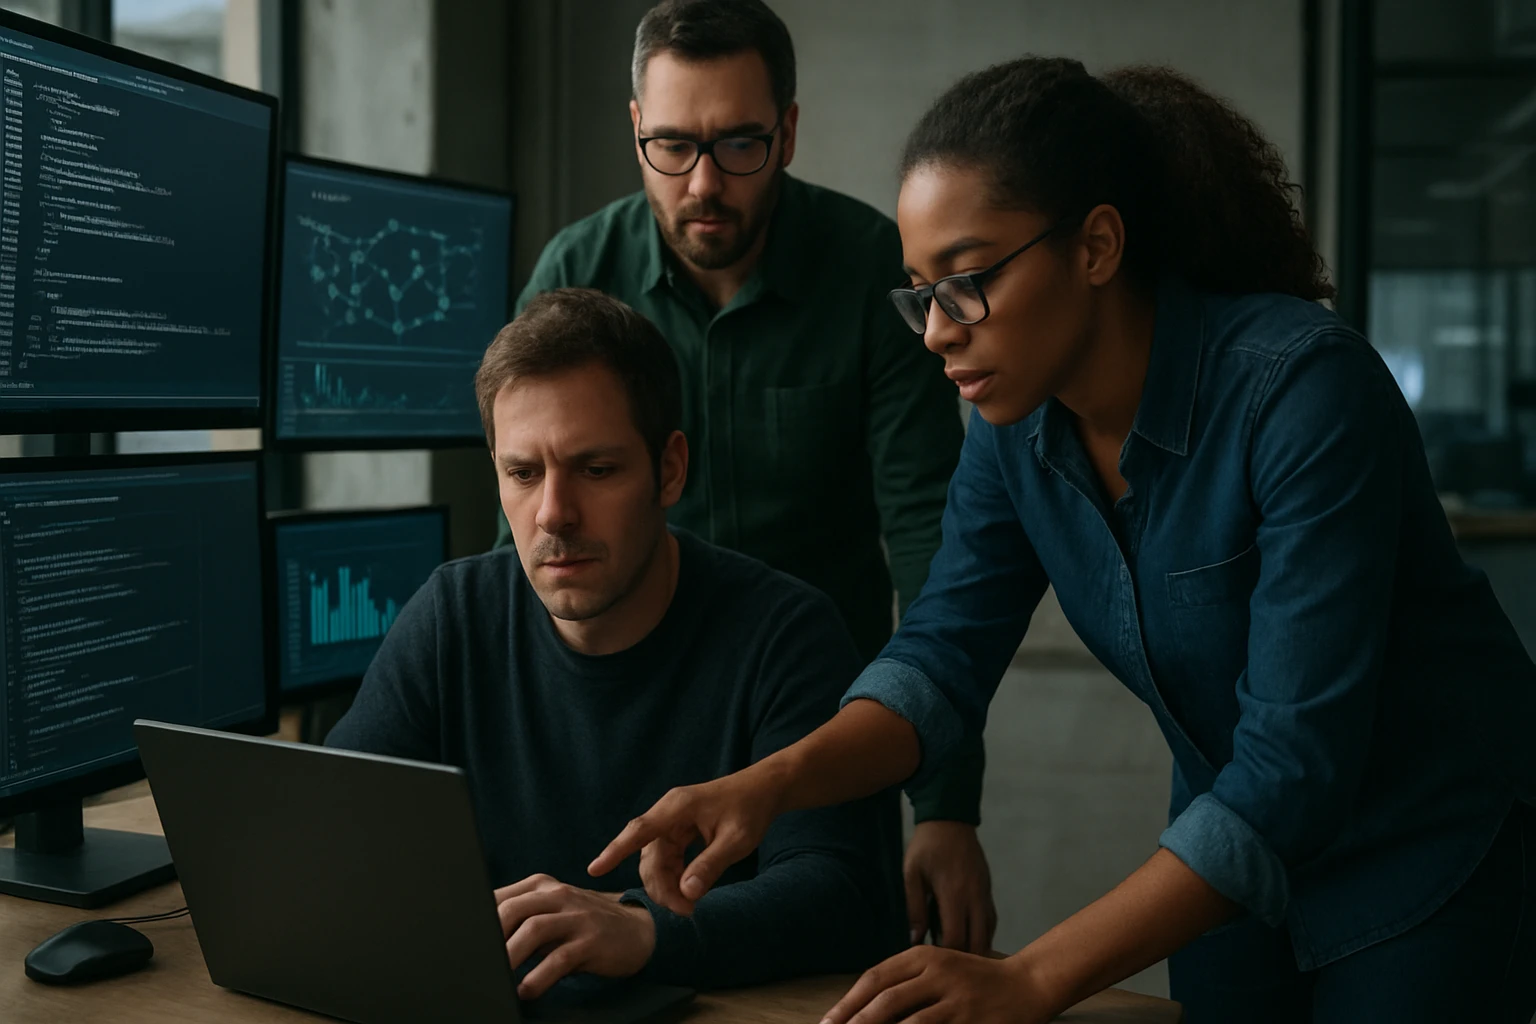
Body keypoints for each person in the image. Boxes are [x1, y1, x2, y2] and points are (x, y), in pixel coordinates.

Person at [590, 58, 1536, 1023]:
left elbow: (1293, 767)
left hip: (1425, 857)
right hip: (1232, 871)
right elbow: (939, 659)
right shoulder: (1015, 429)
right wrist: (766, 785)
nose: (935, 334)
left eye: (965, 283)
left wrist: (1032, 975)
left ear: (1096, 245)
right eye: (918, 293)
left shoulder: (1302, 391)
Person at [500, 0, 994, 954]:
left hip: (817, 749)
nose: (704, 185)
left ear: (790, 131)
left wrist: (945, 806)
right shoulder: (578, 271)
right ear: (635, 128)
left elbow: (931, 545)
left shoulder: (867, 273)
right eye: (674, 147)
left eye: (739, 147)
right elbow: (521, 529)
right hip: (619, 745)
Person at [327, 288, 905, 1000]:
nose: (553, 515)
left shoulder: (786, 635)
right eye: (523, 473)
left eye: (596, 471)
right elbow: (334, 829)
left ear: (670, 469)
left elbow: (840, 894)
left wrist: (645, 929)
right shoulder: (453, 614)